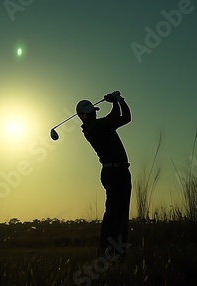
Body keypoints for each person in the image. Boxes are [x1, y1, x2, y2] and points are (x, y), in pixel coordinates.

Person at [76, 91, 132, 259]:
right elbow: (118, 115)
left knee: (117, 213)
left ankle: (113, 252)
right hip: (116, 173)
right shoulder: (96, 127)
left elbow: (126, 117)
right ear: (88, 114)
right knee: (117, 214)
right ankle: (110, 252)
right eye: (93, 111)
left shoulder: (97, 126)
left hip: (116, 172)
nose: (95, 112)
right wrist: (116, 101)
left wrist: (118, 100)